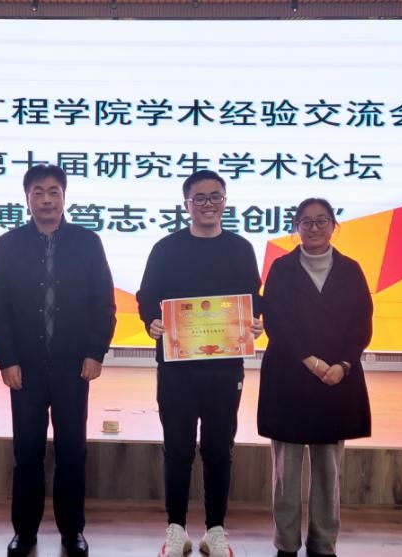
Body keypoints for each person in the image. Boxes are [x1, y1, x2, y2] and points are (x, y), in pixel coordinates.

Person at [0, 164, 117, 557]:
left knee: (72, 452)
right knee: (26, 453)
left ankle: (72, 530)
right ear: (27, 199)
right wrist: (6, 358)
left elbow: (103, 301)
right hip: (24, 368)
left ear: (64, 196)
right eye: (38, 192)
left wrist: (95, 351)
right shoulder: (8, 244)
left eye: (54, 191)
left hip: (73, 366)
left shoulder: (87, 242)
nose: (46, 199)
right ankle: (24, 532)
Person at [136, 170, 263, 557]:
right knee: (177, 448)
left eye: (216, 197)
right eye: (200, 198)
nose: (209, 204)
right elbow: (147, 296)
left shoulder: (240, 248)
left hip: (225, 368)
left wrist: (255, 323)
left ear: (225, 201)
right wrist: (151, 321)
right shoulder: (166, 248)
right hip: (177, 367)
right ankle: (176, 528)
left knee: (219, 448)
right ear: (186, 204)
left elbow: (252, 299)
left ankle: (215, 530)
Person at [257, 198, 373, 557]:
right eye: (306, 222)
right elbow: (276, 321)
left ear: (334, 225)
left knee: (328, 472)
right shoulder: (282, 268)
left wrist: (343, 364)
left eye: (322, 220)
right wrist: (309, 359)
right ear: (296, 228)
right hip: (289, 377)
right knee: (286, 472)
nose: (314, 228)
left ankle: (324, 544)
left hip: (336, 380)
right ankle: (286, 544)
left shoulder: (351, 269)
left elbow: (362, 323)